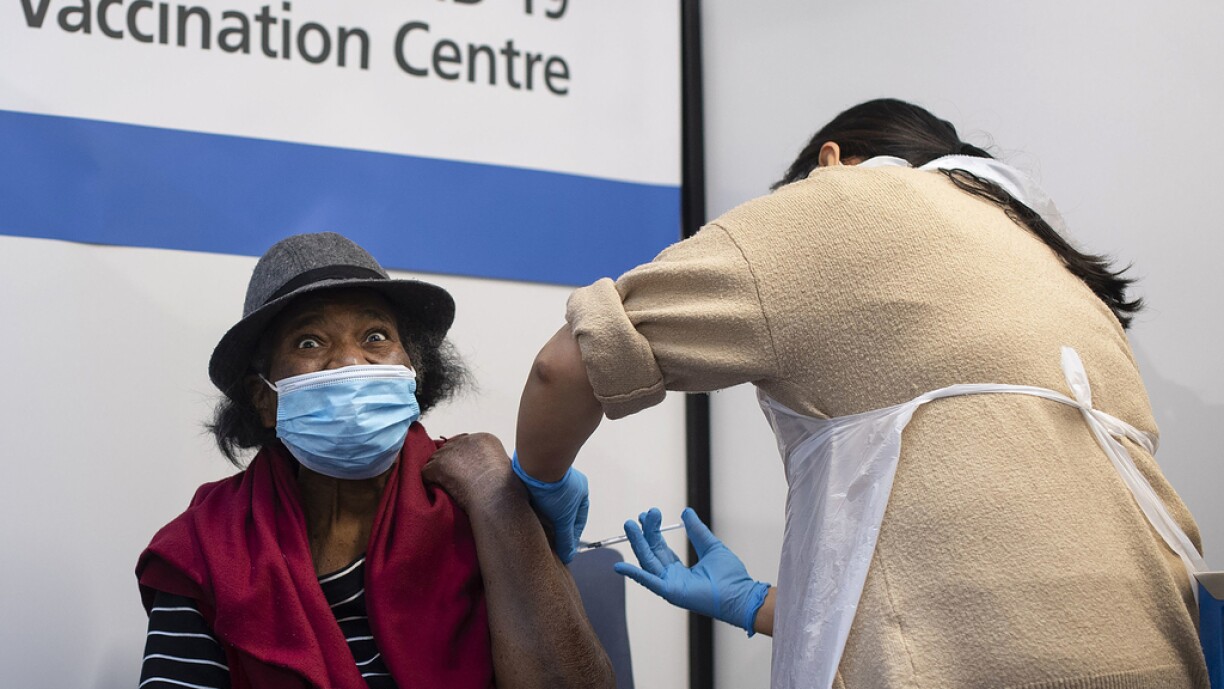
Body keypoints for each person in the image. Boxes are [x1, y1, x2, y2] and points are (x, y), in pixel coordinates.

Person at [513, 99, 1210, 688]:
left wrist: (537, 488)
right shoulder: (1053, 266)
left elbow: (564, 367)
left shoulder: (840, 201)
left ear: (830, 160)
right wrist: (754, 602)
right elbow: (1010, 578)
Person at [136, 232, 614, 689]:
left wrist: (497, 498)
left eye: (375, 336)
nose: (349, 363)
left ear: (413, 371)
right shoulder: (206, 546)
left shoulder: (477, 502)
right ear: (264, 399)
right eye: (309, 342)